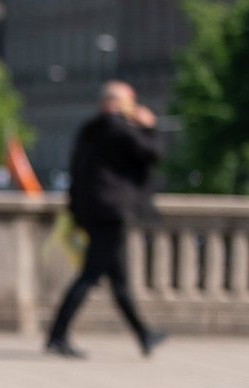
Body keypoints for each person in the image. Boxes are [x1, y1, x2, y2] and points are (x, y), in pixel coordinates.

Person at [45, 82, 168, 360]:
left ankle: (143, 334)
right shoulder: (119, 129)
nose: (134, 105)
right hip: (111, 212)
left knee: (117, 280)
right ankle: (57, 334)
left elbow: (76, 171)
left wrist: (77, 211)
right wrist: (148, 126)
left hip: (92, 211)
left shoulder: (89, 130)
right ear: (117, 103)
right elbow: (153, 153)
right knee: (90, 276)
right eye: (131, 100)